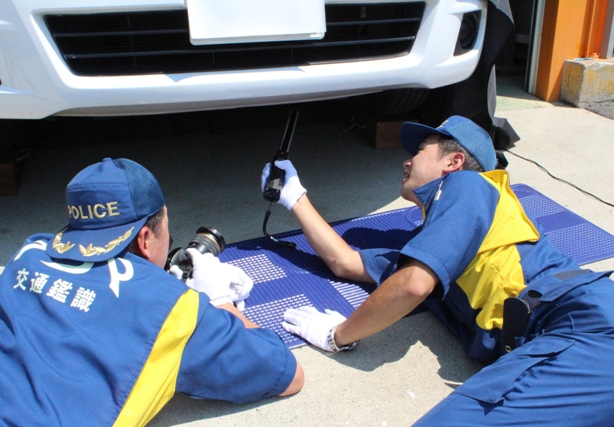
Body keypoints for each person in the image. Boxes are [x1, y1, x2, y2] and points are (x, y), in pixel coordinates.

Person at [263, 115, 614, 426]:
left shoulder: (470, 186)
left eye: (419, 151)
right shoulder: (435, 247)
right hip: (570, 336)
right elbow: (347, 263)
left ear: (454, 162)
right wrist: (294, 197)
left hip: (584, 328)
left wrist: (338, 334)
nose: (406, 160)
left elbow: (412, 286)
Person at [0, 158, 304, 427]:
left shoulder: (30, 252)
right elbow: (287, 374)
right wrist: (218, 302)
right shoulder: (170, 308)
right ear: (145, 239)